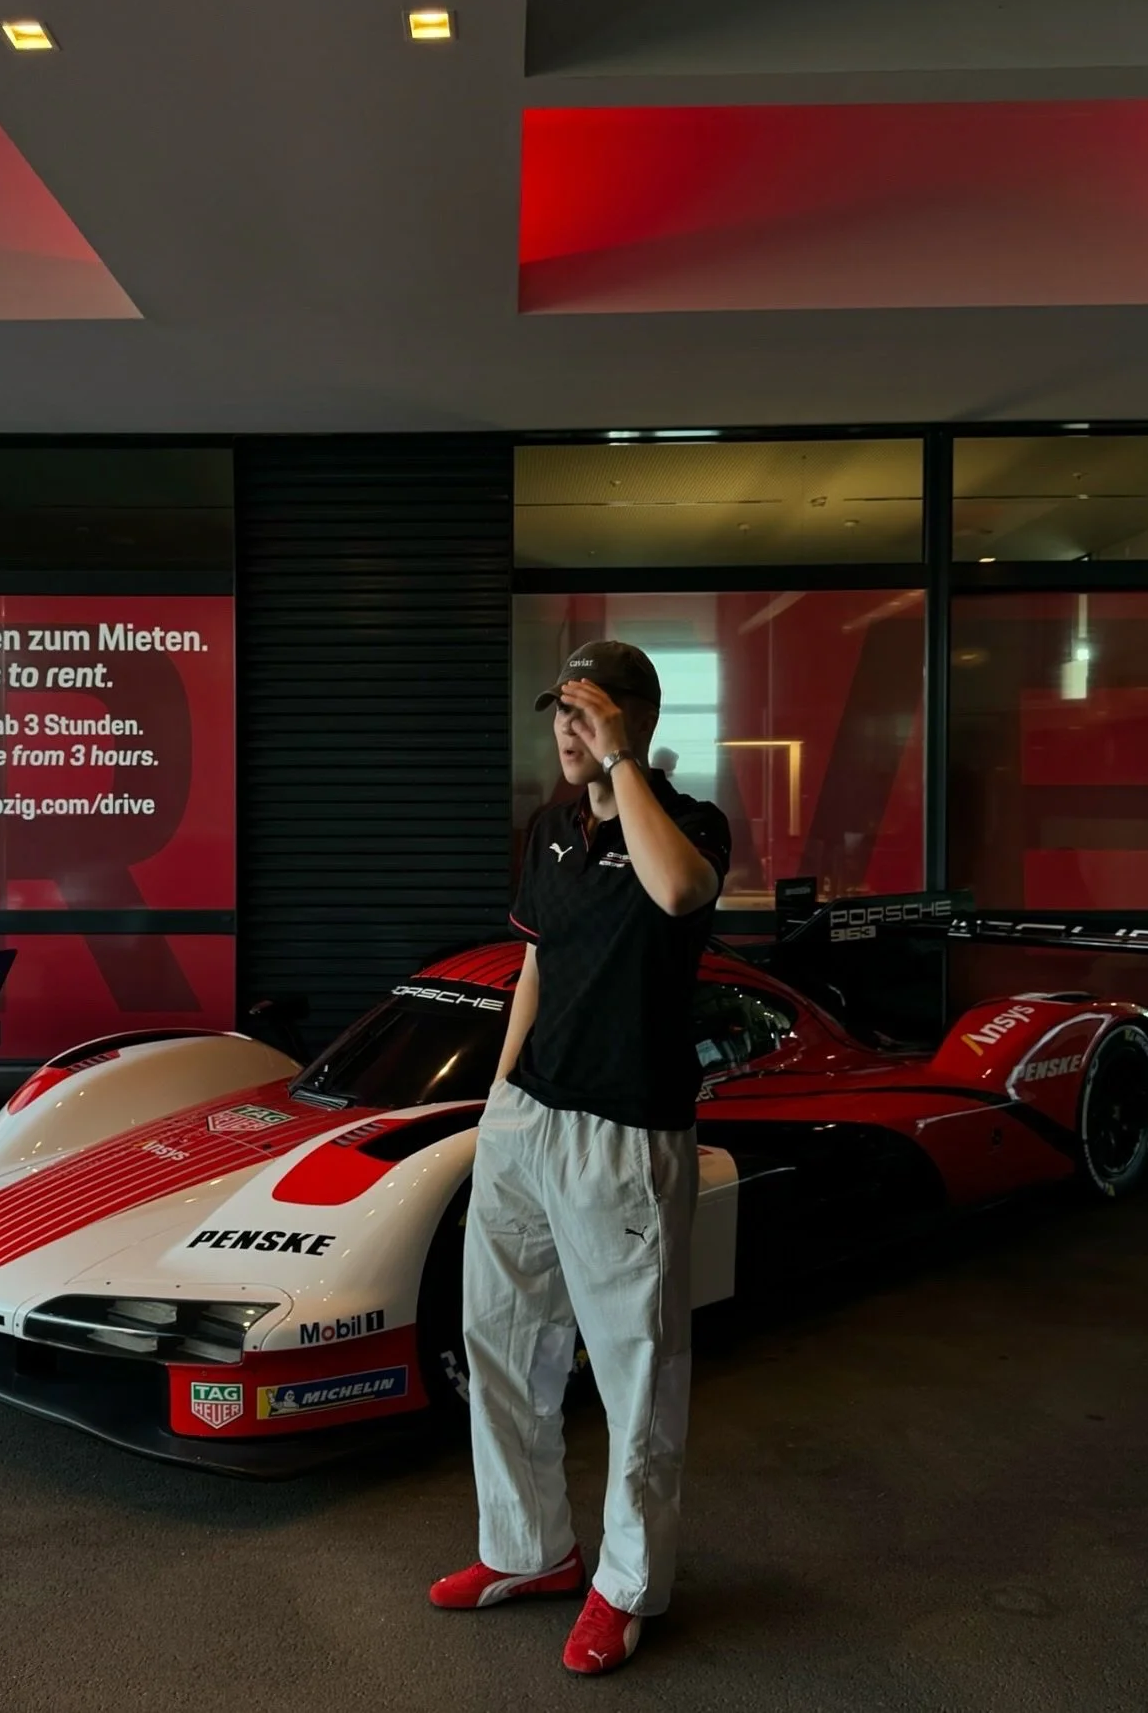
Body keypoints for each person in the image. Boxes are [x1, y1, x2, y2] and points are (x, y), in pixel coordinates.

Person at [430, 640, 732, 1676]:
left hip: (628, 1133)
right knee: (502, 1340)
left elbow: (681, 892)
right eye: (559, 712)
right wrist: (500, 1097)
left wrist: (623, 766)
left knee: (634, 1367)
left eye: (589, 713)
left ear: (637, 720)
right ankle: (529, 1551)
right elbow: (534, 965)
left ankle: (626, 1585)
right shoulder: (548, 827)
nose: (568, 731)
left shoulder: (689, 825)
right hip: (529, 1119)